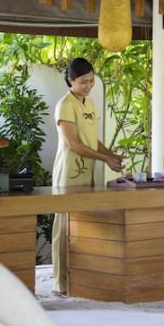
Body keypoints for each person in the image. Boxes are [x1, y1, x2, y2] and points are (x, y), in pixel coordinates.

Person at [51, 57, 124, 294]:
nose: (89, 86)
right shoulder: (65, 105)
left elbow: (92, 141)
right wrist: (105, 159)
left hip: (88, 172)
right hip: (69, 173)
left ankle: (80, 280)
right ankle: (60, 283)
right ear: (70, 80)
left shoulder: (90, 105)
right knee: (64, 226)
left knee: (83, 225)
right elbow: (73, 143)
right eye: (83, 82)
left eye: (92, 81)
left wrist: (111, 155)